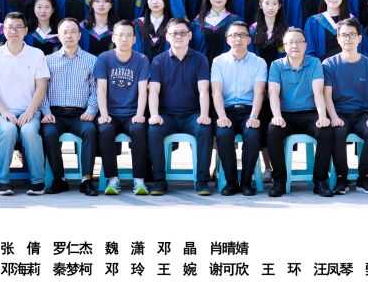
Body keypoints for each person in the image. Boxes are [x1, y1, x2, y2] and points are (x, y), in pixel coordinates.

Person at [142, 20, 214, 196]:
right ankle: (159, 180)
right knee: (154, 130)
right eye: (174, 33)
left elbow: (204, 90)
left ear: (190, 36)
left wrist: (204, 114)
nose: (179, 36)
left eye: (183, 33)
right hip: (167, 115)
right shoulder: (158, 61)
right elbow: (154, 91)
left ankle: (202, 180)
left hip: (192, 115)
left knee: (204, 129)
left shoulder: (200, 59)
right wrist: (154, 114)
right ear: (167, 36)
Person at [0, 13, 49, 196]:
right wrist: (4, 111)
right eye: (10, 27)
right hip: (2, 111)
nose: (14, 31)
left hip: (30, 110)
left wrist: (30, 111)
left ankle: (38, 181)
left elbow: (41, 86)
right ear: (3, 31)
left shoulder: (36, 54)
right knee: (8, 130)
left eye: (18, 27)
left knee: (29, 132)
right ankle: (2, 181)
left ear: (26, 31)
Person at [265, 29, 333, 197]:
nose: (294, 45)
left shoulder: (314, 63)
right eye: (290, 42)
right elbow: (273, 92)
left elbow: (318, 92)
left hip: (309, 113)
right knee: (273, 131)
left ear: (305, 45)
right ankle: (279, 180)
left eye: (298, 41)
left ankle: (320, 181)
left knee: (326, 130)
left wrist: (322, 116)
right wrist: (277, 116)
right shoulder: (276, 65)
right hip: (285, 114)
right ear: (284, 46)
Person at [39, 19, 100, 195]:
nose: (69, 36)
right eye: (65, 32)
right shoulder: (47, 60)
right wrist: (46, 111)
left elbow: (96, 89)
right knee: (49, 133)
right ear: (58, 36)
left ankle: (86, 180)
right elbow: (41, 89)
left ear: (79, 35)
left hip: (80, 114)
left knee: (90, 131)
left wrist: (91, 110)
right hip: (54, 113)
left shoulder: (91, 60)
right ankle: (59, 179)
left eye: (73, 32)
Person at [322, 19, 368, 194]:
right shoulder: (329, 64)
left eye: (352, 35)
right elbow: (327, 95)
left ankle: (364, 178)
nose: (348, 38)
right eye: (344, 35)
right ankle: (342, 178)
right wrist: (334, 117)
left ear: (359, 38)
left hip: (362, 113)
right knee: (337, 132)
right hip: (340, 113)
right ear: (338, 39)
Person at [206, 21, 267, 197]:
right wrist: (221, 116)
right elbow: (216, 92)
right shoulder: (218, 62)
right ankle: (231, 182)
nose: (238, 39)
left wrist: (254, 116)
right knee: (224, 134)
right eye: (233, 35)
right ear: (227, 39)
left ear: (249, 39)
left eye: (242, 35)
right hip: (226, 110)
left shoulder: (259, 62)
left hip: (250, 110)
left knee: (252, 135)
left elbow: (259, 92)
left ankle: (246, 182)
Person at [93, 21, 151, 196]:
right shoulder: (104, 58)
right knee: (105, 130)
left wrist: (140, 114)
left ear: (134, 39)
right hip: (110, 113)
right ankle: (113, 179)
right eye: (120, 35)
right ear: (113, 38)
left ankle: (139, 180)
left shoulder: (141, 59)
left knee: (139, 130)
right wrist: (103, 114)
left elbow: (143, 89)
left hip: (132, 113)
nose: (124, 39)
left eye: (128, 35)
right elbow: (101, 88)